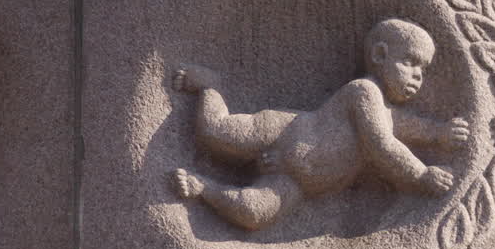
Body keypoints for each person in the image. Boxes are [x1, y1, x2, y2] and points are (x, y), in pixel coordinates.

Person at [171, 19, 468, 231]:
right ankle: (210, 86)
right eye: (410, 62)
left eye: (423, 68)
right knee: (216, 132)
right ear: (380, 55)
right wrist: (420, 174)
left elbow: (402, 125)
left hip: (296, 182)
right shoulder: (364, 91)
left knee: (253, 213)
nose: (418, 76)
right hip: (284, 131)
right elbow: (382, 143)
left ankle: (203, 186)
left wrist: (438, 134)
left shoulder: (384, 111)